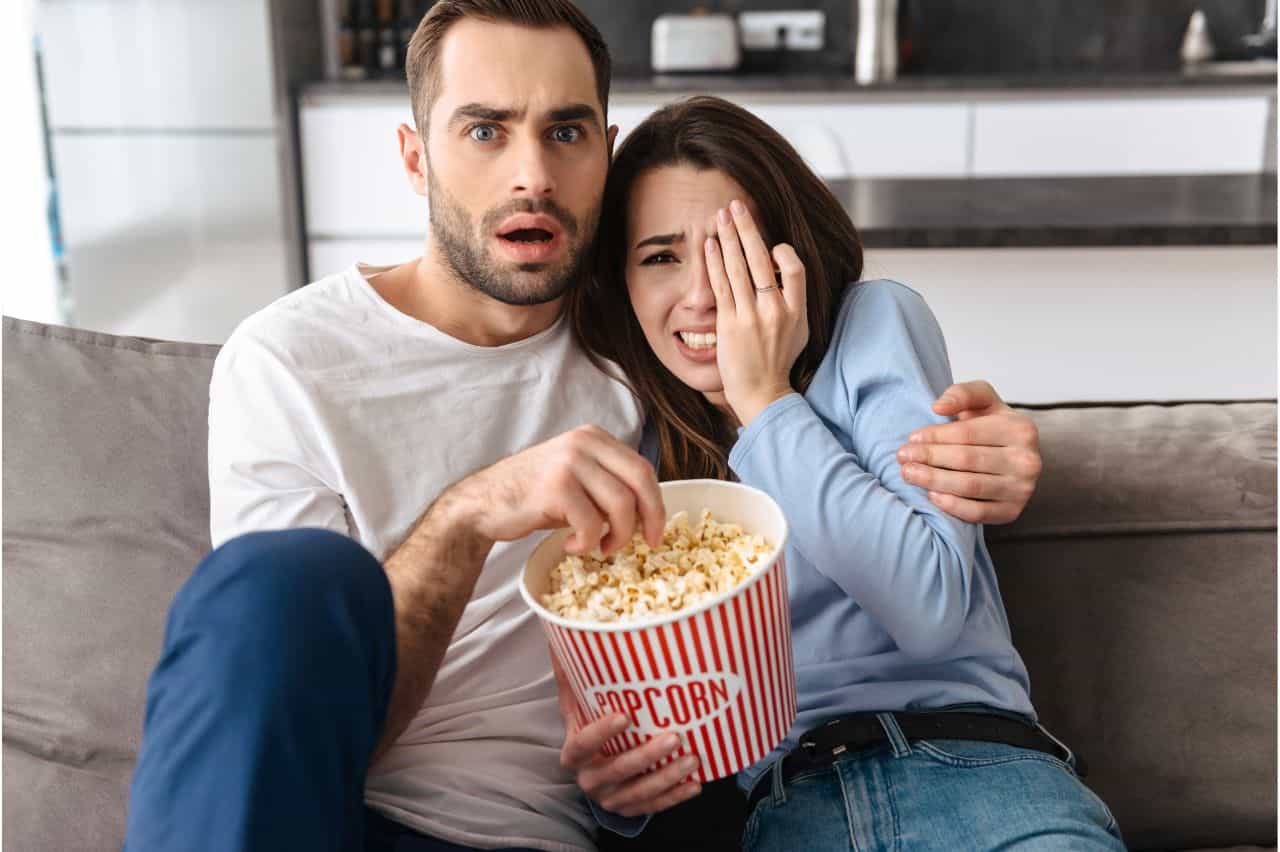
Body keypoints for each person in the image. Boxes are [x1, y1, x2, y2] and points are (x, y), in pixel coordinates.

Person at [122, 3, 1046, 851]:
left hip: (561, 834)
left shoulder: (641, 358)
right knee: (283, 578)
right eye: (484, 130)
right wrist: (470, 514)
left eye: (564, 132)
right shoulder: (288, 360)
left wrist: (981, 445)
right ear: (414, 157)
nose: (531, 174)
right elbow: (278, 699)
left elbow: (820, 462)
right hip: (335, 813)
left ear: (603, 153)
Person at [557, 95, 1124, 851]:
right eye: (661, 257)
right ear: (621, 283)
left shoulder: (873, 326)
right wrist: (620, 794)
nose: (701, 296)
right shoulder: (643, 445)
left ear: (789, 258)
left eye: (734, 253)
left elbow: (926, 609)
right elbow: (669, 712)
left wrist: (765, 399)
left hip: (979, 775)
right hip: (790, 808)